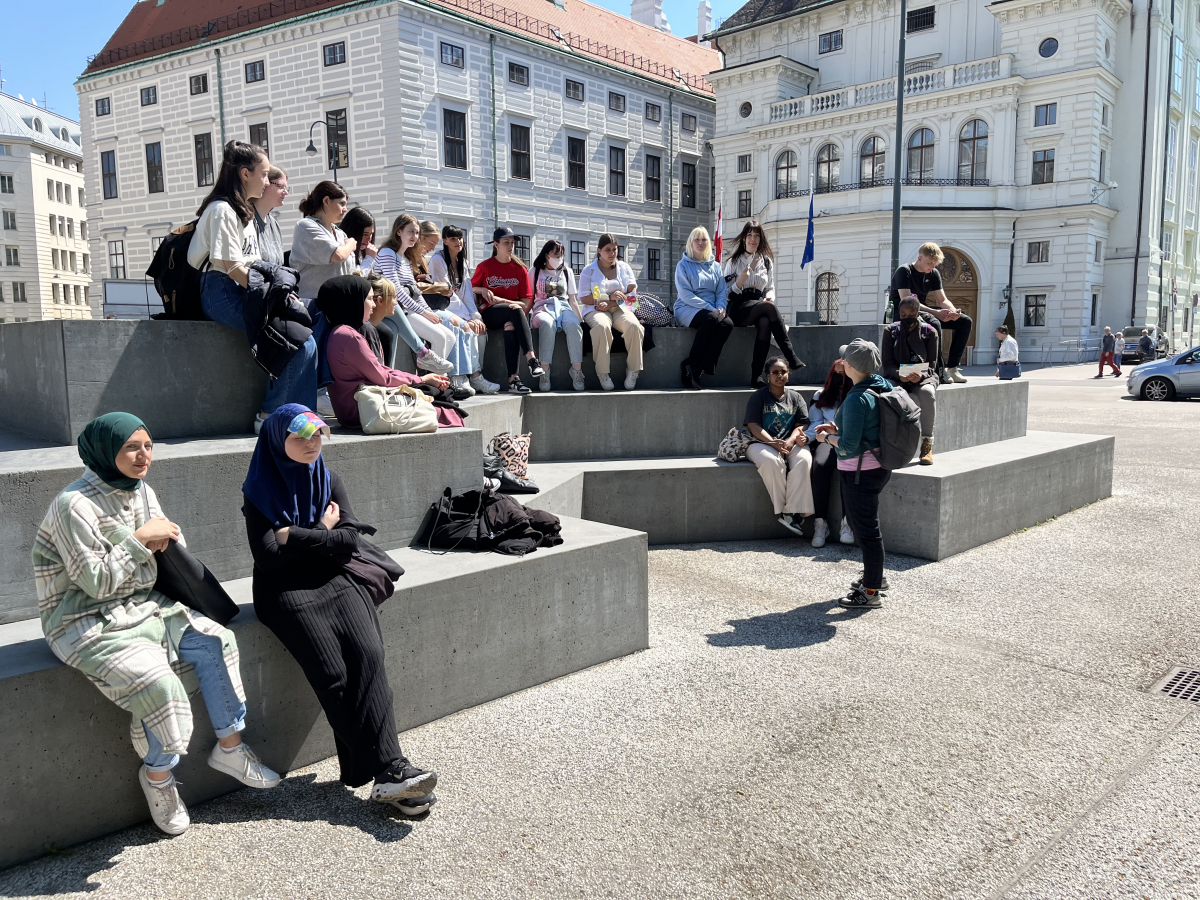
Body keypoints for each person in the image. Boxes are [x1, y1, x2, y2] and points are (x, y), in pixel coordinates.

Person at [33, 413, 280, 835]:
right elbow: (96, 583)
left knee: (216, 641)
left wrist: (167, 537)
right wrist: (141, 539)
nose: (143, 455)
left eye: (147, 446)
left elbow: (163, 547)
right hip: (85, 619)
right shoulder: (73, 505)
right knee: (158, 683)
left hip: (143, 603)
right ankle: (158, 777)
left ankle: (230, 746)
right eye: (131, 447)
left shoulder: (141, 489)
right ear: (104, 452)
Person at [242, 405, 438, 814]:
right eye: (301, 436)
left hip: (335, 575)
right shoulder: (260, 489)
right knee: (334, 675)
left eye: (318, 435)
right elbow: (269, 560)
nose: (312, 443)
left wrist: (298, 535)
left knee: (369, 656)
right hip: (284, 591)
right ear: (277, 440)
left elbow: (349, 540)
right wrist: (322, 531)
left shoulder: (327, 478)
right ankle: (390, 770)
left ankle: (388, 773)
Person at [194, 140, 317, 433]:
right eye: (263, 175)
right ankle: (271, 417)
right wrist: (274, 296)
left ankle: (299, 416)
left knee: (306, 340)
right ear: (245, 174)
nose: (266, 181)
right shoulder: (223, 210)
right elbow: (232, 267)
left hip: (243, 289)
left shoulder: (242, 212)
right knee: (295, 342)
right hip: (223, 292)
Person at [814, 339, 891, 610]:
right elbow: (867, 427)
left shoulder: (858, 398)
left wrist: (826, 438)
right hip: (877, 467)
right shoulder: (881, 385)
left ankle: (870, 592)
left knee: (867, 532)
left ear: (851, 365)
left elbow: (848, 445)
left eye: (845, 359)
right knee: (868, 526)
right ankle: (875, 577)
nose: (842, 362)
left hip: (860, 472)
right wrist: (836, 428)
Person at [317, 275, 452, 428]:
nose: (373, 304)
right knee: (445, 407)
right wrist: (422, 379)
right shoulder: (349, 336)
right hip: (364, 410)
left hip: (356, 408)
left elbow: (380, 371)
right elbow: (383, 378)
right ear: (353, 301)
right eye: (369, 299)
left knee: (440, 398)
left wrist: (421, 379)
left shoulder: (340, 332)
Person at [371, 214, 458, 376]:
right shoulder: (387, 253)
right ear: (399, 231)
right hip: (392, 307)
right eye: (411, 231)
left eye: (417, 232)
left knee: (450, 337)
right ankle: (431, 376)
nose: (415, 236)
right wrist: (423, 312)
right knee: (439, 337)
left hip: (406, 308)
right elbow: (395, 290)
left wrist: (429, 312)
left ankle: (436, 380)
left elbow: (415, 292)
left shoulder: (405, 259)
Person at [722, 221, 805, 385]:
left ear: (761, 239)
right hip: (739, 306)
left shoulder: (766, 261)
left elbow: (770, 287)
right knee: (768, 308)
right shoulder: (733, 261)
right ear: (744, 238)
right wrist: (740, 282)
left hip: (759, 305)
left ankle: (756, 377)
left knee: (765, 322)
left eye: (756, 236)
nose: (753, 239)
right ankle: (790, 355)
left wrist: (770, 297)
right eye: (749, 235)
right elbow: (725, 293)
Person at [402, 227, 476, 400]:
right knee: (449, 330)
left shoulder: (421, 259)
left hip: (426, 307)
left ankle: (444, 382)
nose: (433, 248)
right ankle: (443, 382)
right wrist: (427, 305)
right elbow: (406, 291)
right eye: (431, 243)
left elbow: (418, 292)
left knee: (451, 335)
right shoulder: (413, 258)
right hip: (410, 309)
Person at [744, 356, 814, 536]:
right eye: (775, 372)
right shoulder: (759, 396)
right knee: (772, 461)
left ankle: (790, 511)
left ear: (788, 374)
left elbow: (802, 424)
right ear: (768, 376)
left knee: (804, 459)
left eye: (783, 372)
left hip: (788, 442)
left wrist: (790, 440)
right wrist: (772, 442)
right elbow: (753, 425)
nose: (779, 375)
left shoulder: (795, 397)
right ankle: (789, 512)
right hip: (760, 442)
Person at [471, 226, 545, 394]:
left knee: (511, 324)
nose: (510, 246)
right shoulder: (485, 266)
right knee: (515, 310)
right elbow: (469, 288)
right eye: (506, 243)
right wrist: (482, 289)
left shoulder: (520, 269)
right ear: (496, 245)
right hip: (489, 314)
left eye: (512, 243)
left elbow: (525, 302)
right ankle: (532, 360)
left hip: (512, 314)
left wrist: (504, 302)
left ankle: (513, 380)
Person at [428, 225, 498, 395]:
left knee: (480, 329)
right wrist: (467, 318)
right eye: (453, 238)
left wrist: (475, 316)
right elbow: (447, 294)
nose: (458, 242)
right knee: (466, 327)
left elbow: (467, 293)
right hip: (441, 307)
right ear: (445, 241)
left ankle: (476, 376)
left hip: (459, 310)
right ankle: (468, 376)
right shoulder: (438, 260)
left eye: (460, 238)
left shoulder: (463, 262)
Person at [890, 242, 972, 383]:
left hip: (922, 310)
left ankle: (952, 368)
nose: (932, 266)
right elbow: (907, 301)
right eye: (929, 263)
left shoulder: (933, 273)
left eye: (935, 264)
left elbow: (942, 300)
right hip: (903, 313)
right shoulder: (904, 271)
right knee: (934, 323)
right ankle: (939, 370)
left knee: (965, 322)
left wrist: (953, 312)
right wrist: (937, 313)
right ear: (920, 258)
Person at [577, 233, 644, 391]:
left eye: (615, 249)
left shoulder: (624, 268)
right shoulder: (589, 270)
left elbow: (632, 296)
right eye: (608, 249)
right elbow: (584, 298)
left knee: (635, 327)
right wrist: (606, 298)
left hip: (621, 307)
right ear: (599, 250)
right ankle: (603, 372)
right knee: (602, 327)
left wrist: (611, 303)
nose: (612, 253)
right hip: (596, 309)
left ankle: (633, 370)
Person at [882, 297, 938, 465]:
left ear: (918, 313)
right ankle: (889, 442)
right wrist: (899, 374)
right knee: (886, 393)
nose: (907, 317)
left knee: (927, 393)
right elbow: (887, 364)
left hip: (923, 377)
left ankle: (927, 443)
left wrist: (921, 375)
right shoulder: (890, 331)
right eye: (903, 314)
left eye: (911, 314)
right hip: (898, 377)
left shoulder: (929, 332)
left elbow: (932, 364)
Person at [805, 355, 855, 548]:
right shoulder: (821, 395)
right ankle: (820, 523)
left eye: (843, 374)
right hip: (826, 437)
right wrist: (807, 437)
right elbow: (815, 423)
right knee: (819, 465)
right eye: (836, 374)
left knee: (846, 468)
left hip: (847, 439)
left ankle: (847, 523)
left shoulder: (855, 394)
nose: (839, 378)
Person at [675, 227, 732, 389]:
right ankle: (693, 365)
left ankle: (701, 366)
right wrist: (709, 308)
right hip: (687, 307)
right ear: (691, 242)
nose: (700, 243)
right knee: (711, 319)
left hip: (712, 309)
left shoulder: (715, 266)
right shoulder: (683, 265)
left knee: (727, 324)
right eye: (697, 239)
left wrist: (721, 307)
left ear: (708, 243)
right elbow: (685, 294)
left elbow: (721, 291)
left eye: (704, 240)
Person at [530, 239, 586, 391]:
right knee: (548, 324)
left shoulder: (567, 272)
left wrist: (581, 321)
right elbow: (529, 297)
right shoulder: (535, 271)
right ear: (547, 255)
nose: (559, 258)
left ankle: (576, 370)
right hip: (542, 308)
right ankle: (544, 370)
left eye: (561, 255)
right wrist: (523, 317)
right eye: (556, 254)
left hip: (563, 307)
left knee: (574, 325)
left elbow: (572, 300)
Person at [290, 181, 357, 301]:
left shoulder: (340, 233)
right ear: (326, 201)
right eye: (342, 203)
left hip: (339, 303)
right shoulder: (305, 226)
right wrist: (351, 244)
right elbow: (338, 255)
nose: (345, 209)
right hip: (314, 304)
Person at [253, 164, 288, 266]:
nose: (285, 192)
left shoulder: (274, 224)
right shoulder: (247, 220)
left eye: (286, 188)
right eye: (280, 186)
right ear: (265, 183)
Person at [339, 206, 379, 276]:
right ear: (352, 231)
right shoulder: (343, 249)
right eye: (365, 234)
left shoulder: (364, 252)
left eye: (371, 234)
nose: (369, 239)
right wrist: (369, 259)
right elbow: (355, 278)